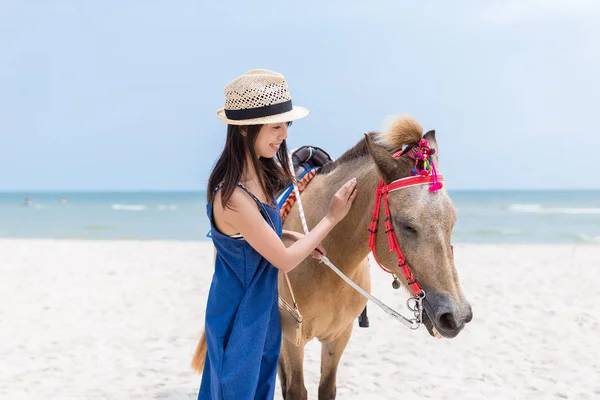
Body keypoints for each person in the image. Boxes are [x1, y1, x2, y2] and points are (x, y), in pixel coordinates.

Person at [198, 69, 358, 400]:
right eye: (275, 126)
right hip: (238, 315)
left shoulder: (261, 178)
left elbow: (255, 237)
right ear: (244, 130)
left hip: (262, 312)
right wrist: (331, 217)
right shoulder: (232, 197)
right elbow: (282, 261)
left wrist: (289, 235)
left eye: (286, 126)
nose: (284, 135)